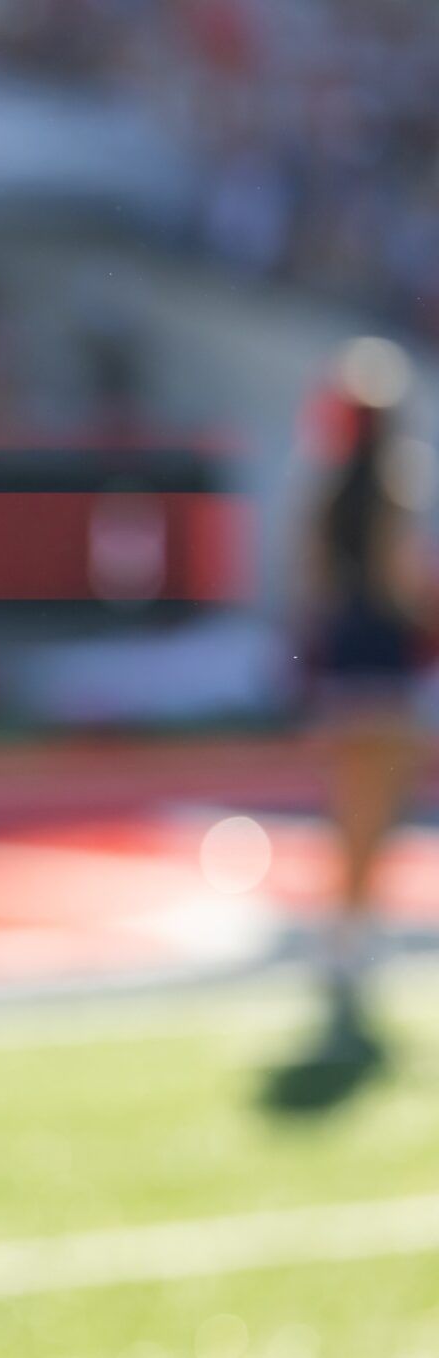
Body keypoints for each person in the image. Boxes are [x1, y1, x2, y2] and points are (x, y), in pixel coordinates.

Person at [271, 337, 431, 1106]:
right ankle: (353, 937)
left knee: (348, 810)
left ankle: (344, 936)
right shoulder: (396, 483)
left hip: (341, 662)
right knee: (378, 812)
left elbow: (311, 584)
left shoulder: (324, 487)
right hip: (386, 665)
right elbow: (402, 583)